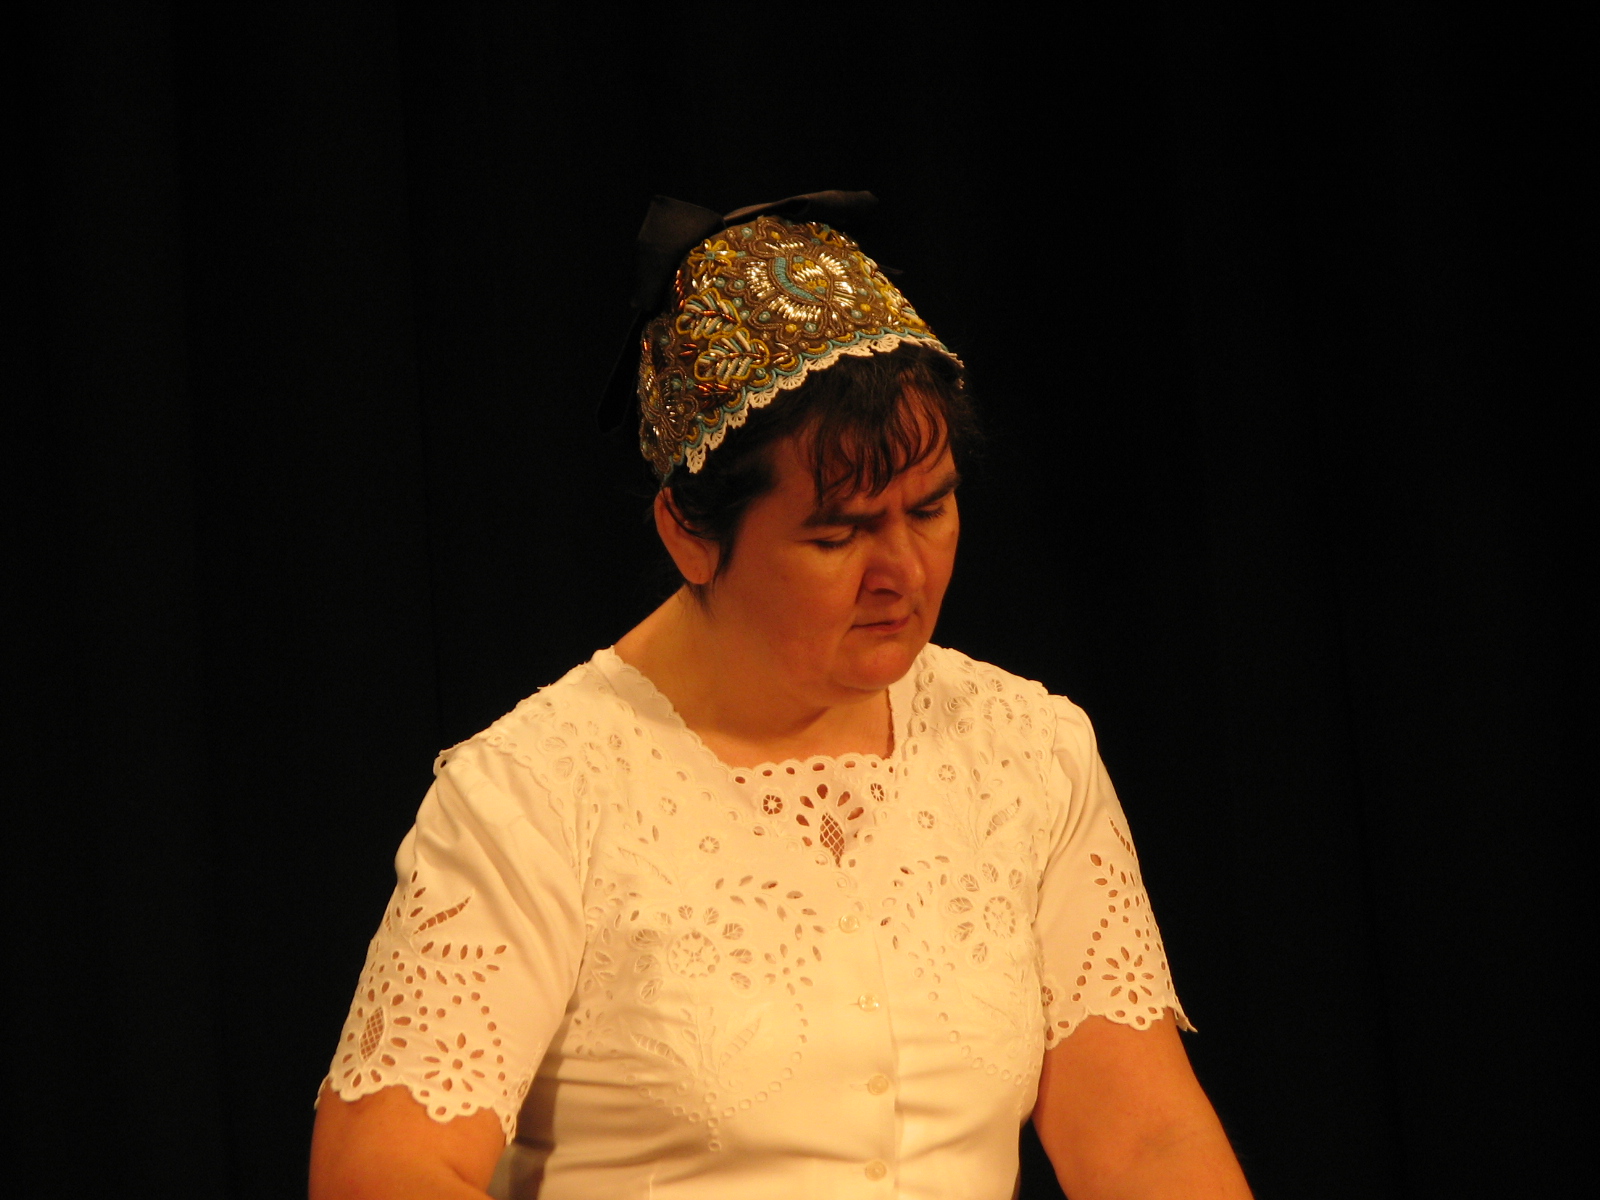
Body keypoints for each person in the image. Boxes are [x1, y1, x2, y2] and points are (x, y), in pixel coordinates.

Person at [309, 195, 1253, 1199]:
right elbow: (386, 1171)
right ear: (688, 533)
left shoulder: (1027, 751)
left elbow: (1144, 1142)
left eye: (931, 509)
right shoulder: (533, 795)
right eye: (839, 534)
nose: (903, 572)